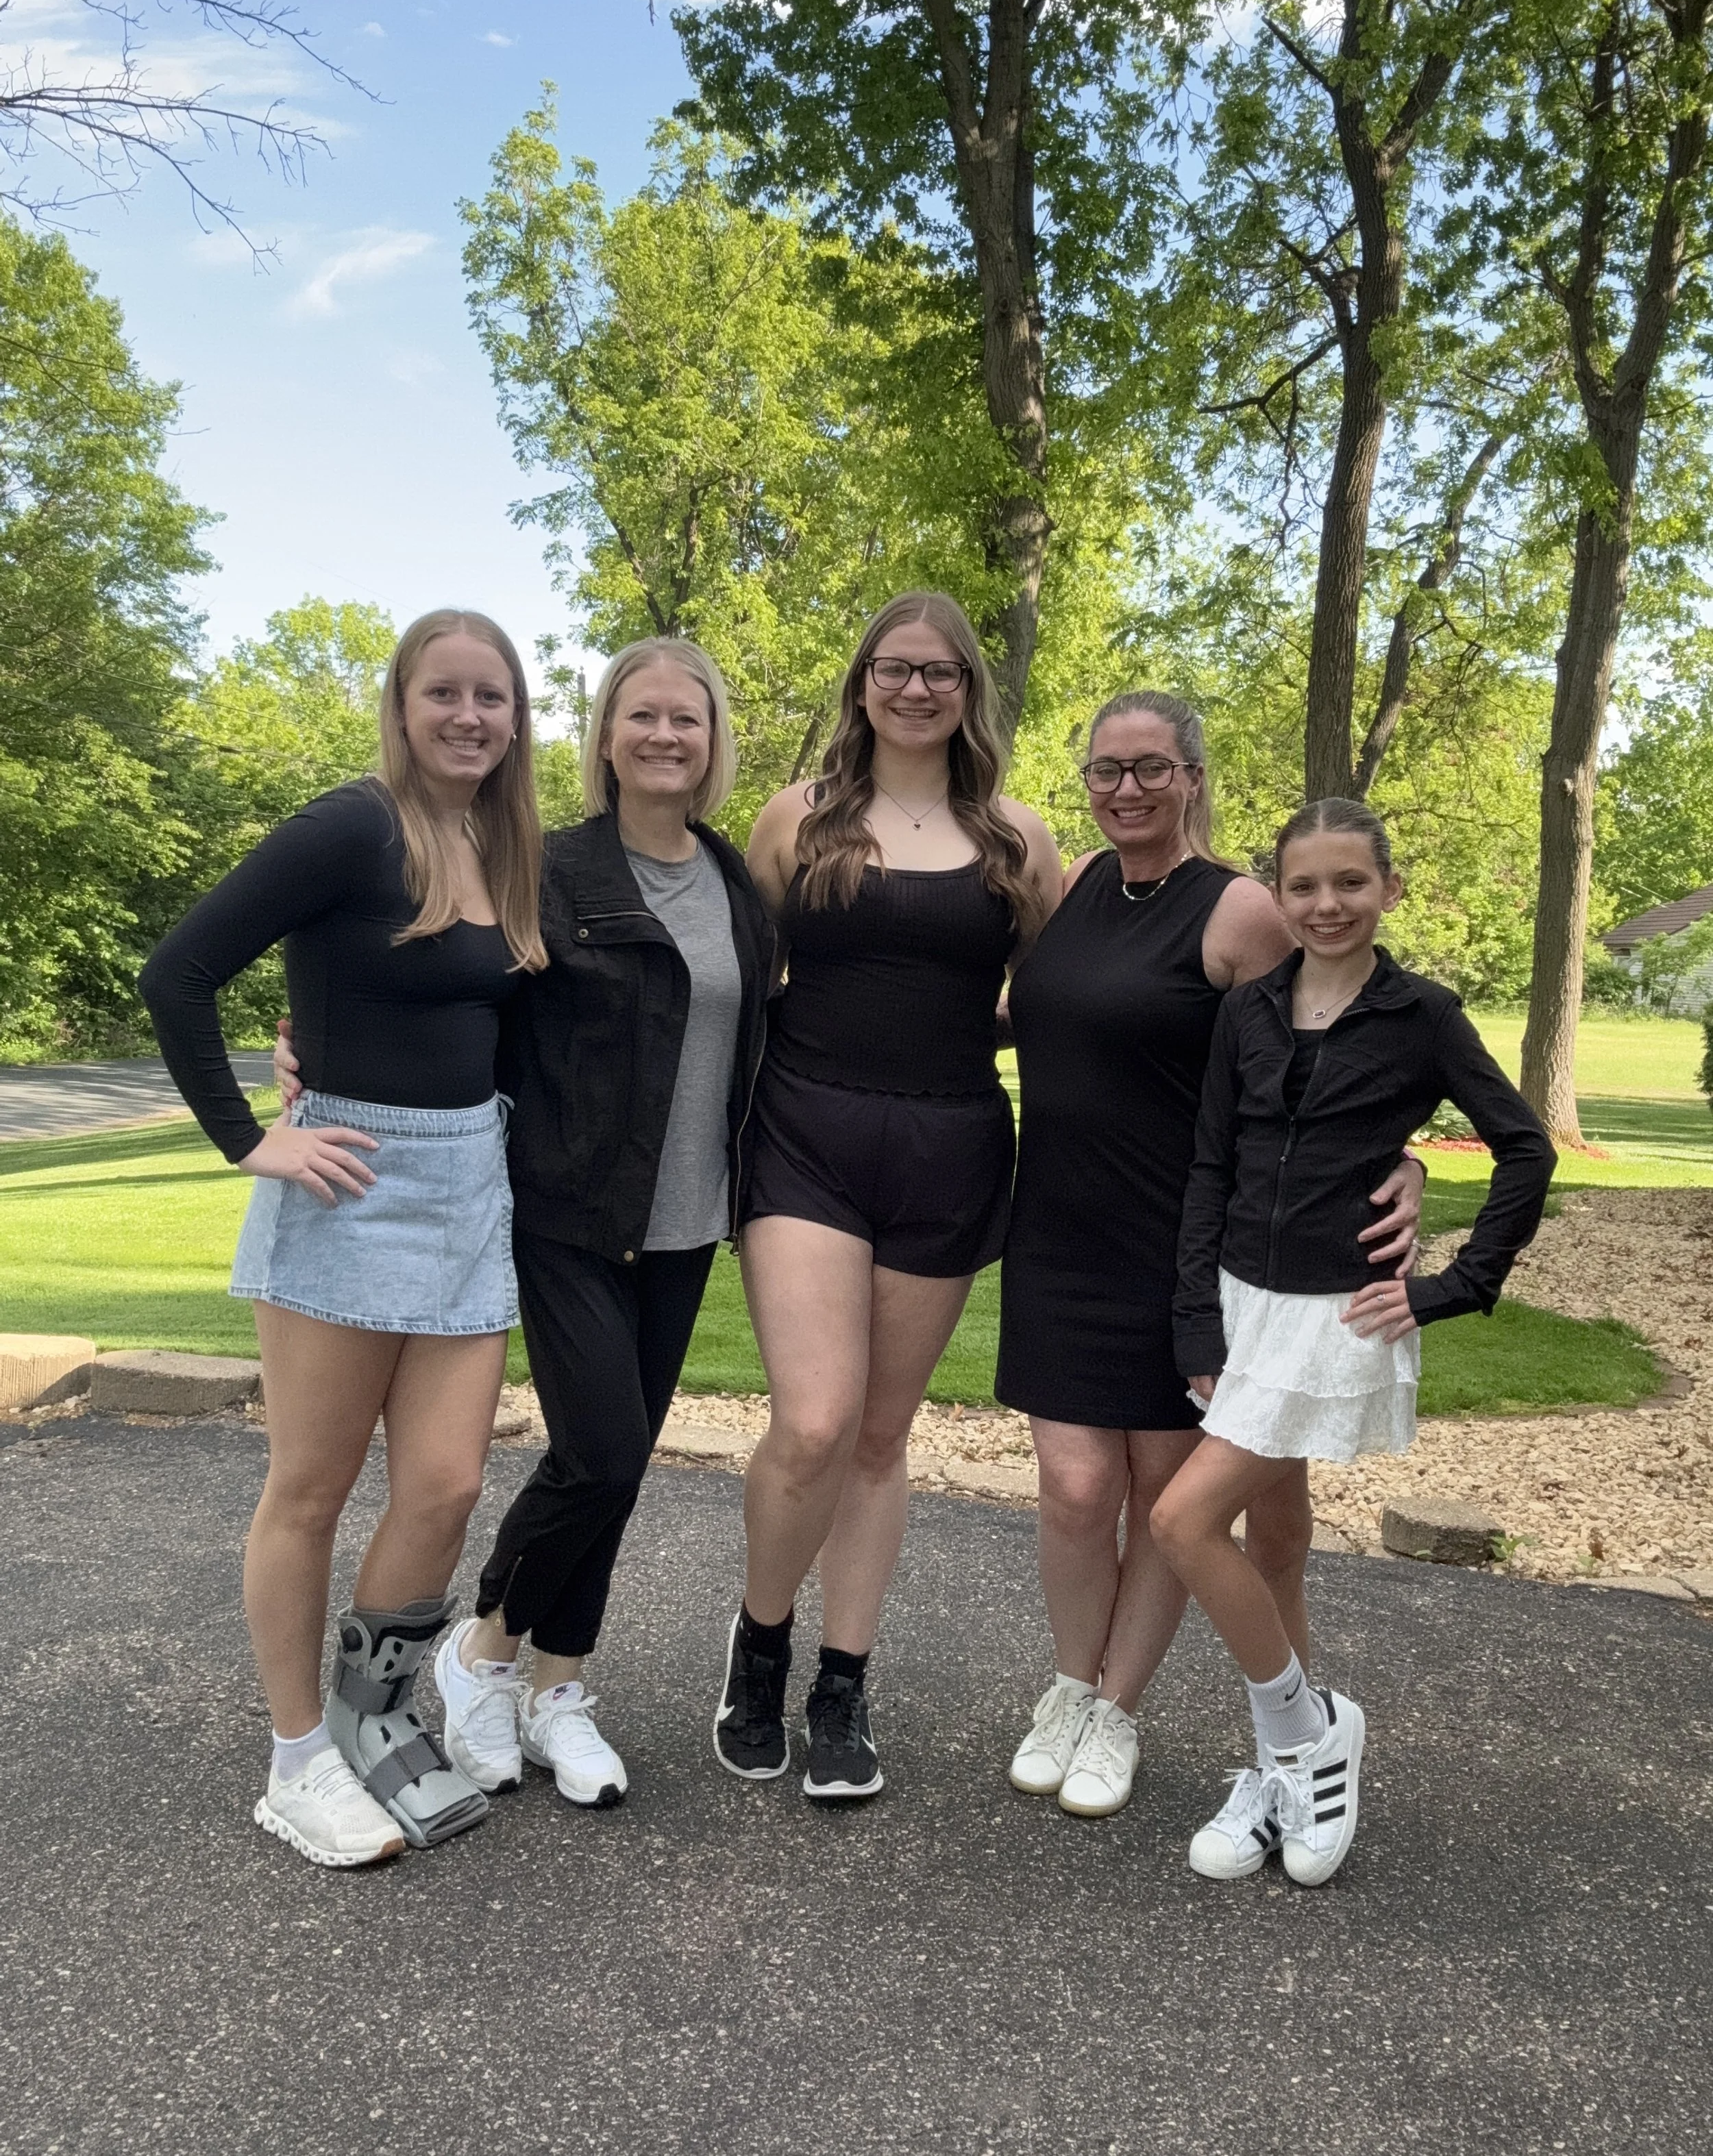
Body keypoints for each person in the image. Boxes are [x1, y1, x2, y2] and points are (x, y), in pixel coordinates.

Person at [140, 608, 546, 1869]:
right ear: (403, 702)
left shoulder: (501, 842)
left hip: (469, 1186)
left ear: (518, 717)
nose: (470, 716)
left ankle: (376, 1724)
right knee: (309, 1490)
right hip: (348, 1183)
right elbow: (181, 970)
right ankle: (296, 1758)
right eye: (445, 693)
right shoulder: (352, 824)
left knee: (445, 1484)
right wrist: (249, 1139)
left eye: (493, 696)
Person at [995, 693, 1427, 1818]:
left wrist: (1401, 1163)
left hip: (1175, 1241)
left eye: (1150, 768)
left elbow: (1341, 1044)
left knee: (1160, 1495)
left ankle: (1118, 1712)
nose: (1126, 789)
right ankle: (1068, 1687)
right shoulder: (1079, 886)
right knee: (1073, 1488)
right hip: (1055, 1230)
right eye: (1106, 770)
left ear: (1192, 775)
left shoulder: (1240, 908)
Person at [1153, 796, 1555, 1885]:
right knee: (1274, 1539)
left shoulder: (1423, 1016)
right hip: (1241, 1302)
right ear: (1276, 897)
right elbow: (1210, 1167)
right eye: (1304, 886)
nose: (1326, 904)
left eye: (1350, 883)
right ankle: (1283, 1776)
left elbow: (1524, 1151)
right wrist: (1196, 1313)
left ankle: (1311, 1739)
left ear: (1390, 891)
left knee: (1183, 1524)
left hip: (1334, 1319)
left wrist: (1453, 1288)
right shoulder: (1248, 1011)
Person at [714, 591, 1062, 1805]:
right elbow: (726, 977)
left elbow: (1072, 1005)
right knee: (812, 1421)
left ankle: (843, 1684)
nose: (917, 689)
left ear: (971, 691)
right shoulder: (797, 819)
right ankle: (761, 1645)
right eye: (894, 668)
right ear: (861, 682)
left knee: (877, 1437)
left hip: (952, 1144)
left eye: (942, 673)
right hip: (806, 1134)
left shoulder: (1020, 838)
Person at [432, 639, 773, 1809]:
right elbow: (460, 995)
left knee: (614, 1472)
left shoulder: (737, 884)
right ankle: (480, 1654)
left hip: (684, 1224)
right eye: (643, 715)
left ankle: (558, 1689)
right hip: (571, 1208)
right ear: (607, 735)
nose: (666, 735)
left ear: (714, 740)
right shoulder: (549, 867)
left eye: (689, 718)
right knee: (605, 1453)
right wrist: (312, 1053)